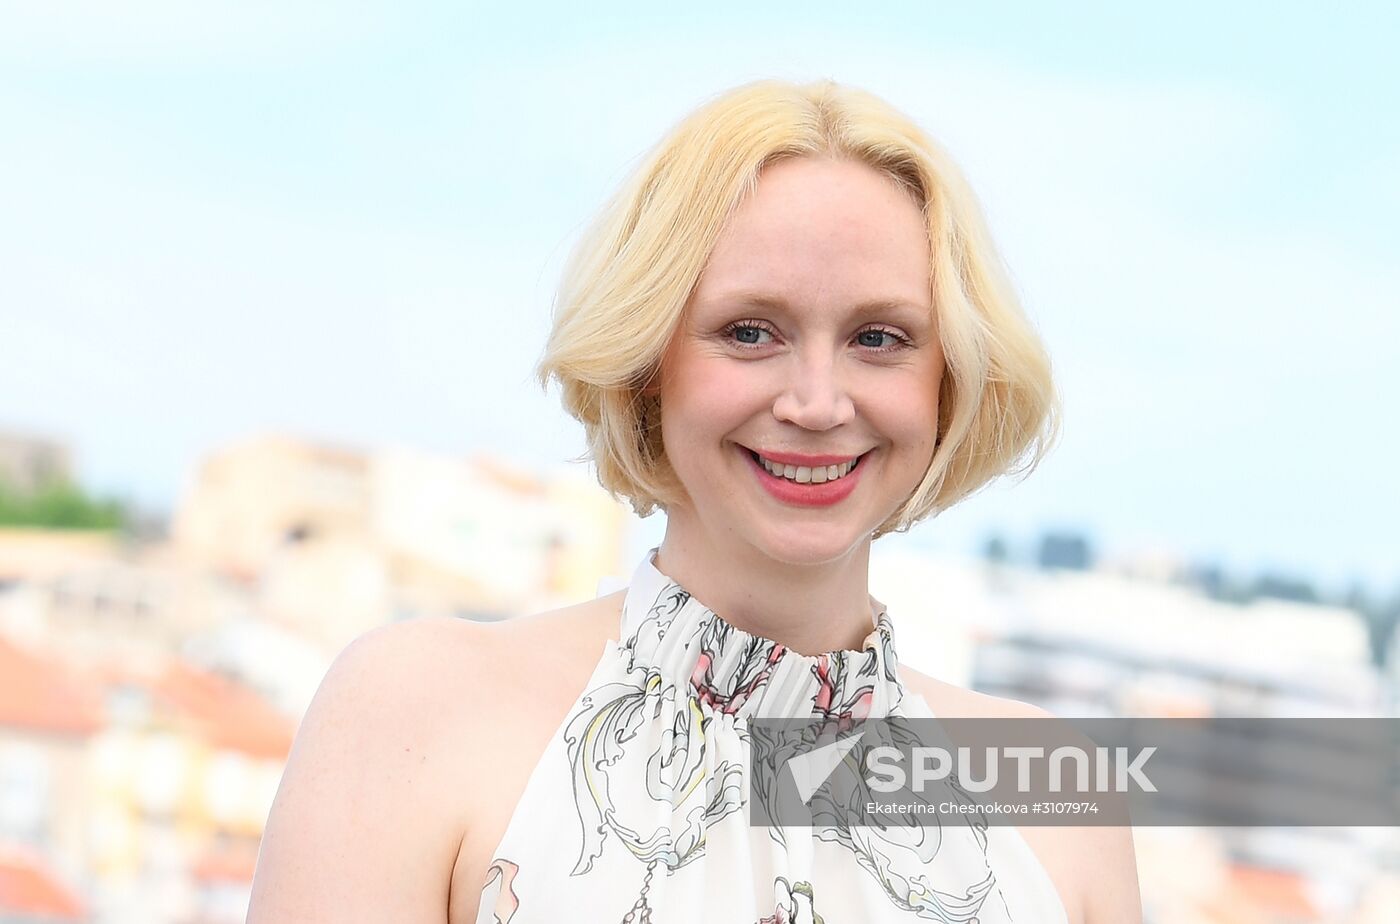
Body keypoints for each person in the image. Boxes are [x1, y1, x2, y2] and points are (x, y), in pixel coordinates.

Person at [247, 78, 1141, 923]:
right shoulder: (416, 711)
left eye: (879, 337)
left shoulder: (1056, 796)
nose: (818, 403)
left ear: (950, 382)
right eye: (750, 332)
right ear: (646, 366)